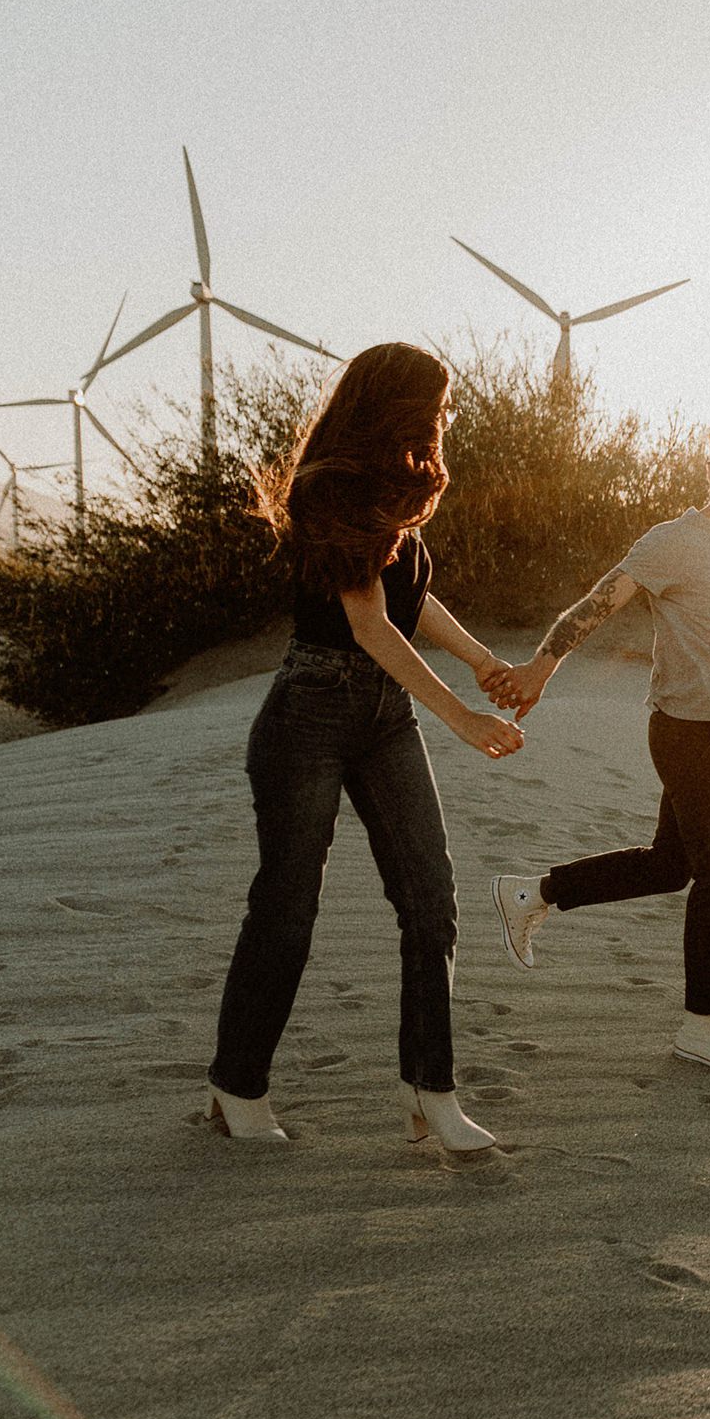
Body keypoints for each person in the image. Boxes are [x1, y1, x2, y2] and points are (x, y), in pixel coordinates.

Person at [204, 341, 526, 1148]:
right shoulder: (328, 488)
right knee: (287, 907)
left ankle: (431, 1088)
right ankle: (236, 1084)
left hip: (383, 714)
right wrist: (464, 717)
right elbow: (369, 625)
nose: (446, 417)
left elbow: (409, 599)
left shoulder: (393, 487)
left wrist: (483, 658)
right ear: (397, 404)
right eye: (439, 403)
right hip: (310, 710)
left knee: (431, 899)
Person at [487, 407, 710, 1076]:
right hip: (687, 731)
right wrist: (541, 667)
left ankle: (532, 894)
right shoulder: (673, 541)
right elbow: (597, 602)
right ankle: (705, 1023)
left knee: (670, 865)